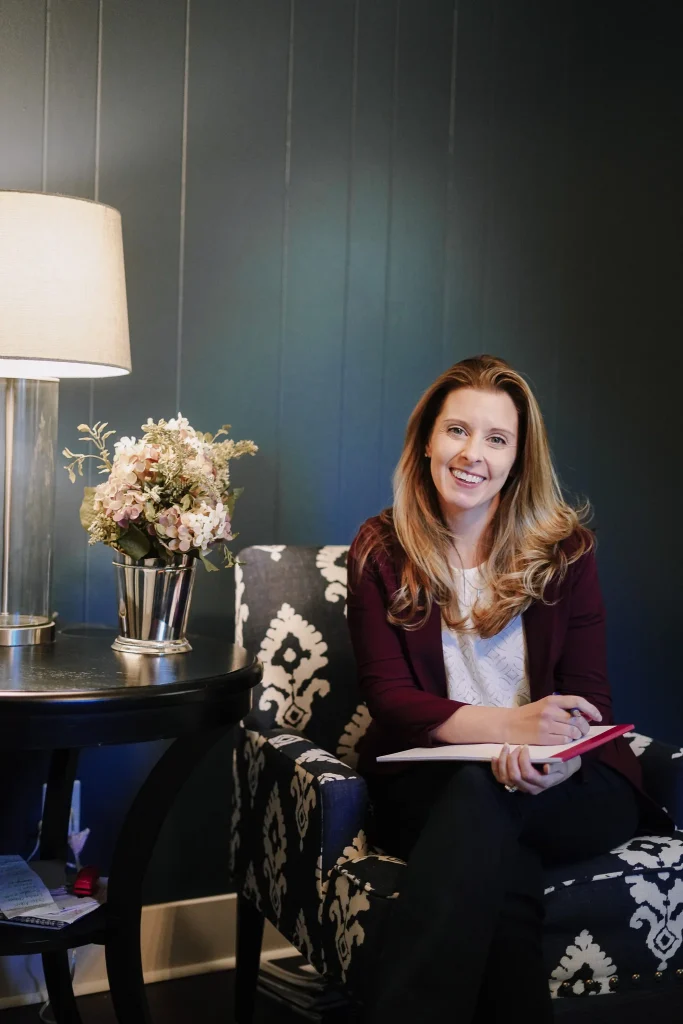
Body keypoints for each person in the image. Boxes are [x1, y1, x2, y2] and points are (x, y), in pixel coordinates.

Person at [346, 355, 670, 1023]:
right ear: (426, 441)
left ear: (518, 457)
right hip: (429, 781)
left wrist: (558, 759)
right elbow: (391, 700)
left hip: (570, 784)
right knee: (499, 859)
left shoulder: (566, 552)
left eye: (496, 439)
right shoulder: (380, 547)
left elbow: (589, 699)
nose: (473, 454)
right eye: (457, 431)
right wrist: (509, 729)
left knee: (485, 809)